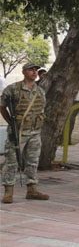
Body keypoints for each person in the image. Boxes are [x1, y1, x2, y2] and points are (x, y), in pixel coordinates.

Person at [1, 63, 50, 203]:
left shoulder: (40, 91)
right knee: (12, 161)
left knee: (33, 161)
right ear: (24, 72)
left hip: (35, 132)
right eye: (31, 70)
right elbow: (2, 106)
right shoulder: (13, 89)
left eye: (36, 70)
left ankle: (32, 189)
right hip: (19, 132)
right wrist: (11, 122)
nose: (34, 72)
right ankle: (8, 191)